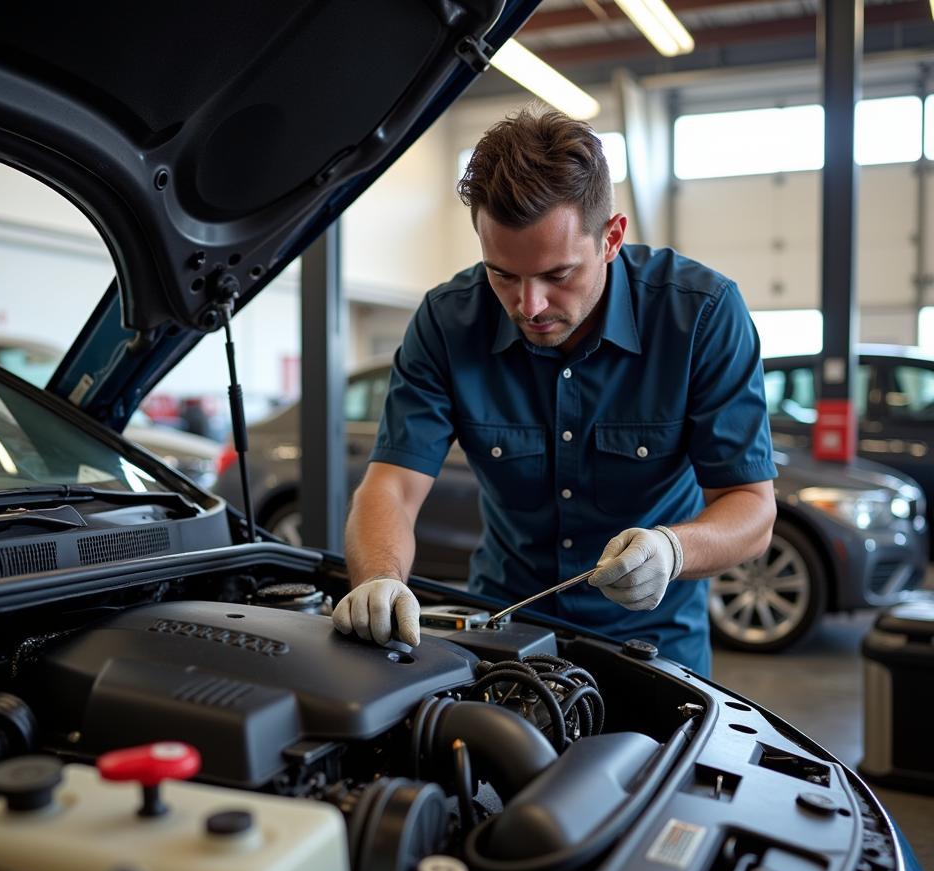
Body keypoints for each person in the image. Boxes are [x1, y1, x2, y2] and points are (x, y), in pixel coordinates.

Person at [332, 106, 776, 675]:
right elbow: (390, 487)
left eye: (558, 275)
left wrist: (672, 549)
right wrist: (380, 579)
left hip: (653, 650)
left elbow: (752, 510)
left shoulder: (701, 316)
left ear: (611, 238)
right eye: (503, 275)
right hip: (502, 637)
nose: (529, 305)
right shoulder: (447, 322)